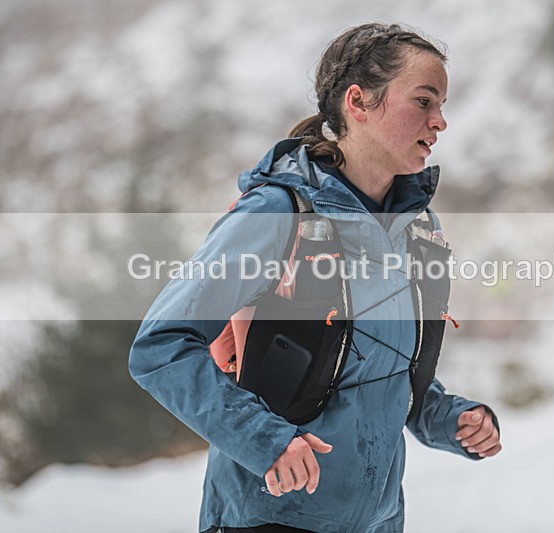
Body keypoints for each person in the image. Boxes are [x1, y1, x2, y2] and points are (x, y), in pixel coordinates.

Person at [129, 22, 501, 533]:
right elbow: (160, 346)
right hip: (269, 516)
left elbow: (383, 368)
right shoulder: (278, 214)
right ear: (359, 102)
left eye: (442, 105)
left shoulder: (417, 228)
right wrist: (265, 440)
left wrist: (447, 417)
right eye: (423, 100)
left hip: (377, 521)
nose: (440, 121)